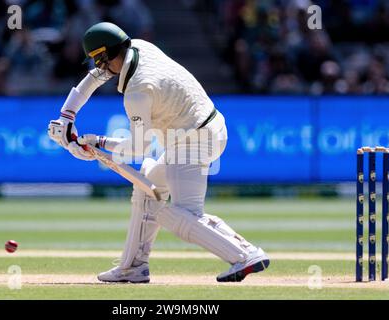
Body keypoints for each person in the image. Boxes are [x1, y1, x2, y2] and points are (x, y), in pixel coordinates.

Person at [48, 22, 269, 283]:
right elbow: (94, 78)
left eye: (102, 61)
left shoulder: (138, 92)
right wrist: (66, 116)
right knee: (148, 185)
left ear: (109, 55)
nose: (102, 70)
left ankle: (245, 255)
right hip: (203, 130)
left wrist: (98, 142)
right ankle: (133, 267)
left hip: (193, 141)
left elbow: (138, 148)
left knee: (177, 214)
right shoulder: (138, 46)